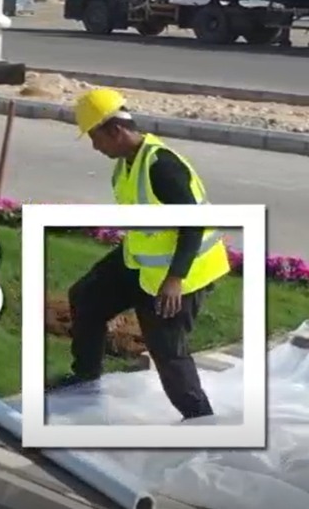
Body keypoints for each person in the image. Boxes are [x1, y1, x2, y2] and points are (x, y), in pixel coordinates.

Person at [61, 87, 232, 420]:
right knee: (86, 297)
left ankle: (201, 421)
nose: (95, 147)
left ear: (115, 130)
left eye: (95, 137)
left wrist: (175, 280)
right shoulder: (127, 164)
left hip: (184, 272)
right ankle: (85, 380)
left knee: (168, 353)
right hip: (141, 263)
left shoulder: (162, 166)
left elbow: (193, 224)